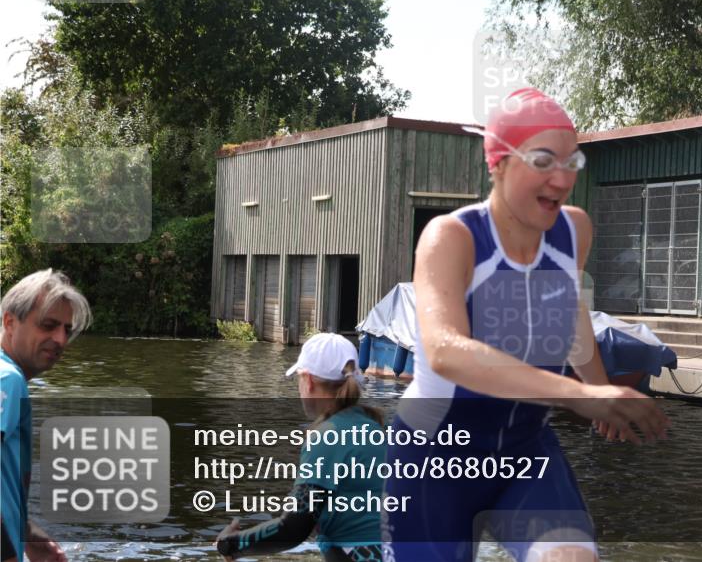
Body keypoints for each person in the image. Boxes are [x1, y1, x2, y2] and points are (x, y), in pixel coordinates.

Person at [382, 88, 670, 561]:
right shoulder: (450, 237)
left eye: (571, 162)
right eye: (542, 161)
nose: (562, 178)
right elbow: (445, 351)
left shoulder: (574, 229)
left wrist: (600, 391)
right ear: (498, 163)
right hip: (435, 459)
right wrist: (579, 395)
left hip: (526, 449)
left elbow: (571, 319)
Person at [216, 333, 384, 562]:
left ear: (308, 380)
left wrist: (231, 544)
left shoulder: (327, 437)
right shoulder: (376, 427)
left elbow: (293, 527)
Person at [1, 269, 92, 562]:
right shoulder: (7, 380)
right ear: (10, 322)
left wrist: (24, 530)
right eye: (48, 325)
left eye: (67, 330)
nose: (60, 339)